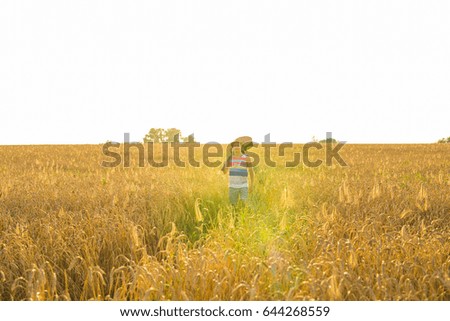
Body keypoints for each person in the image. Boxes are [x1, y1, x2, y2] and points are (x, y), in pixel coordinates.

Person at [221, 136, 255, 207]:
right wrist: (226, 164)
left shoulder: (246, 158)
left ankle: (243, 218)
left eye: (238, 146)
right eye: (234, 146)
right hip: (232, 186)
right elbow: (225, 172)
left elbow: (251, 172)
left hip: (244, 185)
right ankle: (234, 217)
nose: (236, 148)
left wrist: (251, 184)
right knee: (233, 205)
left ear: (241, 147)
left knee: (244, 204)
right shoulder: (230, 159)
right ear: (232, 148)